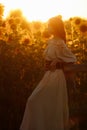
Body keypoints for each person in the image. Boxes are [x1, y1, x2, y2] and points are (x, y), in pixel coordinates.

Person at [20, 16, 77, 130]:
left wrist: (58, 60)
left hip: (56, 77)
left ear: (55, 27)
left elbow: (72, 58)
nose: (47, 27)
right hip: (48, 76)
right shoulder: (51, 41)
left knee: (36, 101)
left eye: (49, 25)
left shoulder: (60, 43)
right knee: (35, 102)